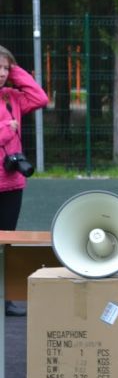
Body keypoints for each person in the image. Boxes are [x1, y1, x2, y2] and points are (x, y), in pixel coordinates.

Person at [0, 45, 48, 317]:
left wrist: (15, 69)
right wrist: (7, 130)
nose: (2, 73)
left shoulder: (12, 97)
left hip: (12, 183)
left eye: (5, 68)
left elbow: (40, 98)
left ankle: (4, 299)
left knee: (7, 243)